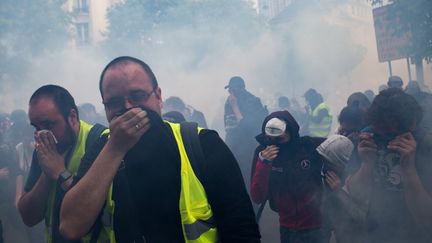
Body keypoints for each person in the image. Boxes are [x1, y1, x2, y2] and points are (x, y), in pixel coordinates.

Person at [60, 56, 260, 243]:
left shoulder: (203, 144)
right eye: (114, 102)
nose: (128, 107)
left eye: (137, 96)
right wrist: (115, 148)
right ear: (105, 108)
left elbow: (242, 231)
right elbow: (70, 227)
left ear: (158, 96)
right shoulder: (102, 149)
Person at [17, 85, 108, 243]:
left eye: (48, 125)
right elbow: (28, 217)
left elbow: (93, 213)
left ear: (72, 117)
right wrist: (47, 173)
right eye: (36, 128)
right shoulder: (43, 150)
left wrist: (60, 173)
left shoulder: (101, 142)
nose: (42, 134)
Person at [347, 88, 432, 243]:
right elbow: (355, 193)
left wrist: (409, 169)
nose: (383, 137)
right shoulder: (369, 138)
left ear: (411, 125)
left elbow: (426, 216)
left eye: (389, 132)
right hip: (377, 232)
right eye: (379, 129)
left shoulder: (426, 144)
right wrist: (366, 164)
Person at [250, 111, 325, 243]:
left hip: (317, 226)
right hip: (287, 227)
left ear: (291, 134)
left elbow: (339, 148)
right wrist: (264, 163)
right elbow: (257, 196)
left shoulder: (308, 147)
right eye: (270, 139)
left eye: (280, 139)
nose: (275, 145)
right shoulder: (263, 153)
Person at [317, 135, 367, 243]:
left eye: (330, 163)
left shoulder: (358, 179)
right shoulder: (326, 176)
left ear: (343, 162)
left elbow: (363, 218)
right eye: (324, 161)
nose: (326, 167)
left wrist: (339, 191)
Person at [224, 76, 268, 190]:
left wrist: (235, 107)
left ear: (236, 89)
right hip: (235, 148)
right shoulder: (230, 102)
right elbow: (229, 128)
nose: (230, 93)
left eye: (231, 90)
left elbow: (247, 126)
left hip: (248, 149)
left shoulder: (252, 102)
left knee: (248, 179)